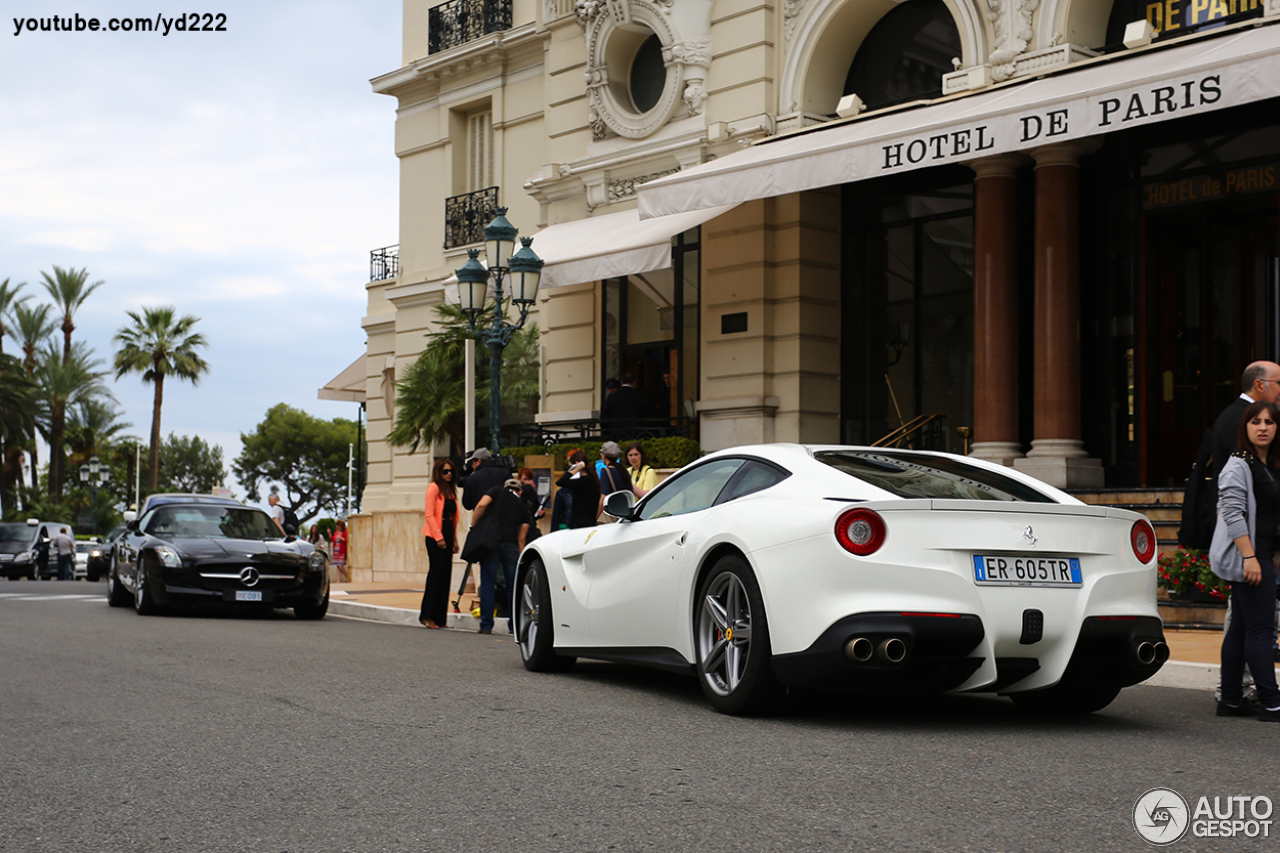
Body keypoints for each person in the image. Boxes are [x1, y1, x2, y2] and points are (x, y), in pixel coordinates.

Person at [1209, 400, 1280, 721]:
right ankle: (1271, 703)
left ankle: (1231, 700)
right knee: (1262, 630)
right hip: (1250, 558)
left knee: (1239, 629)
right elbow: (1233, 513)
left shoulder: (1268, 465)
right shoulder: (1238, 465)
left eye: (1269, 421)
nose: (1263, 427)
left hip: (1263, 556)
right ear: (1245, 427)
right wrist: (1250, 557)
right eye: (1255, 421)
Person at [468, 477, 530, 634]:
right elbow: (521, 537)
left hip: (491, 543)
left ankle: (486, 625)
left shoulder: (496, 491)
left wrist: (473, 526)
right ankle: (513, 625)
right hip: (511, 546)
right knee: (512, 587)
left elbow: (481, 505)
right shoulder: (522, 506)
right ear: (520, 491)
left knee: (488, 584)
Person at [419, 458, 460, 629]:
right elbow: (429, 515)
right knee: (435, 576)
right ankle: (427, 616)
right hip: (435, 536)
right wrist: (439, 538)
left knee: (445, 577)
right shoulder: (433, 488)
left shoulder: (450, 490)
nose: (449, 474)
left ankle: (440, 618)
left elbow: (452, 517)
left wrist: (454, 539)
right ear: (438, 472)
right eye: (445, 471)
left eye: (450, 471)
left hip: (448, 534)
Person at [556, 449, 602, 529]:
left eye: (571, 465)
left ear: (577, 463)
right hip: (589, 523)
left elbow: (560, 482)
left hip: (580, 524)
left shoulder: (583, 481)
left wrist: (576, 469)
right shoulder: (591, 479)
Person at [600, 373, 649, 439]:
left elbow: (607, 416)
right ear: (634, 382)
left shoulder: (612, 396)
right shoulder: (639, 396)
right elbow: (647, 413)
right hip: (636, 432)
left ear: (622, 382)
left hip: (618, 433)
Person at [516, 467, 546, 544]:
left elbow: (535, 508)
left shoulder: (532, 494)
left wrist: (540, 513)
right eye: (525, 479)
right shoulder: (517, 493)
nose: (528, 482)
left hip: (531, 526)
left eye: (529, 479)